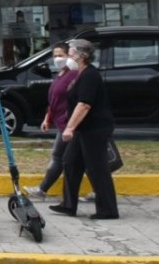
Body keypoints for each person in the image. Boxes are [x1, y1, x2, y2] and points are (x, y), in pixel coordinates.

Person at [49, 38, 119, 220]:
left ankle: (108, 210)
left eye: (70, 54)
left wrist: (69, 128)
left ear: (82, 56)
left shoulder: (90, 75)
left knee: (97, 168)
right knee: (70, 162)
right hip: (83, 129)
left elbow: (84, 105)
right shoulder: (80, 73)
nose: (67, 57)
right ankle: (68, 205)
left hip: (94, 129)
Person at [27, 44, 78, 199]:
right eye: (55, 56)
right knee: (77, 159)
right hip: (62, 122)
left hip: (68, 124)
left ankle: (42, 189)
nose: (57, 59)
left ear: (69, 56)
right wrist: (47, 118)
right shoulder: (61, 74)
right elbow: (54, 100)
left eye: (61, 55)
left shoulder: (74, 74)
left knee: (58, 156)